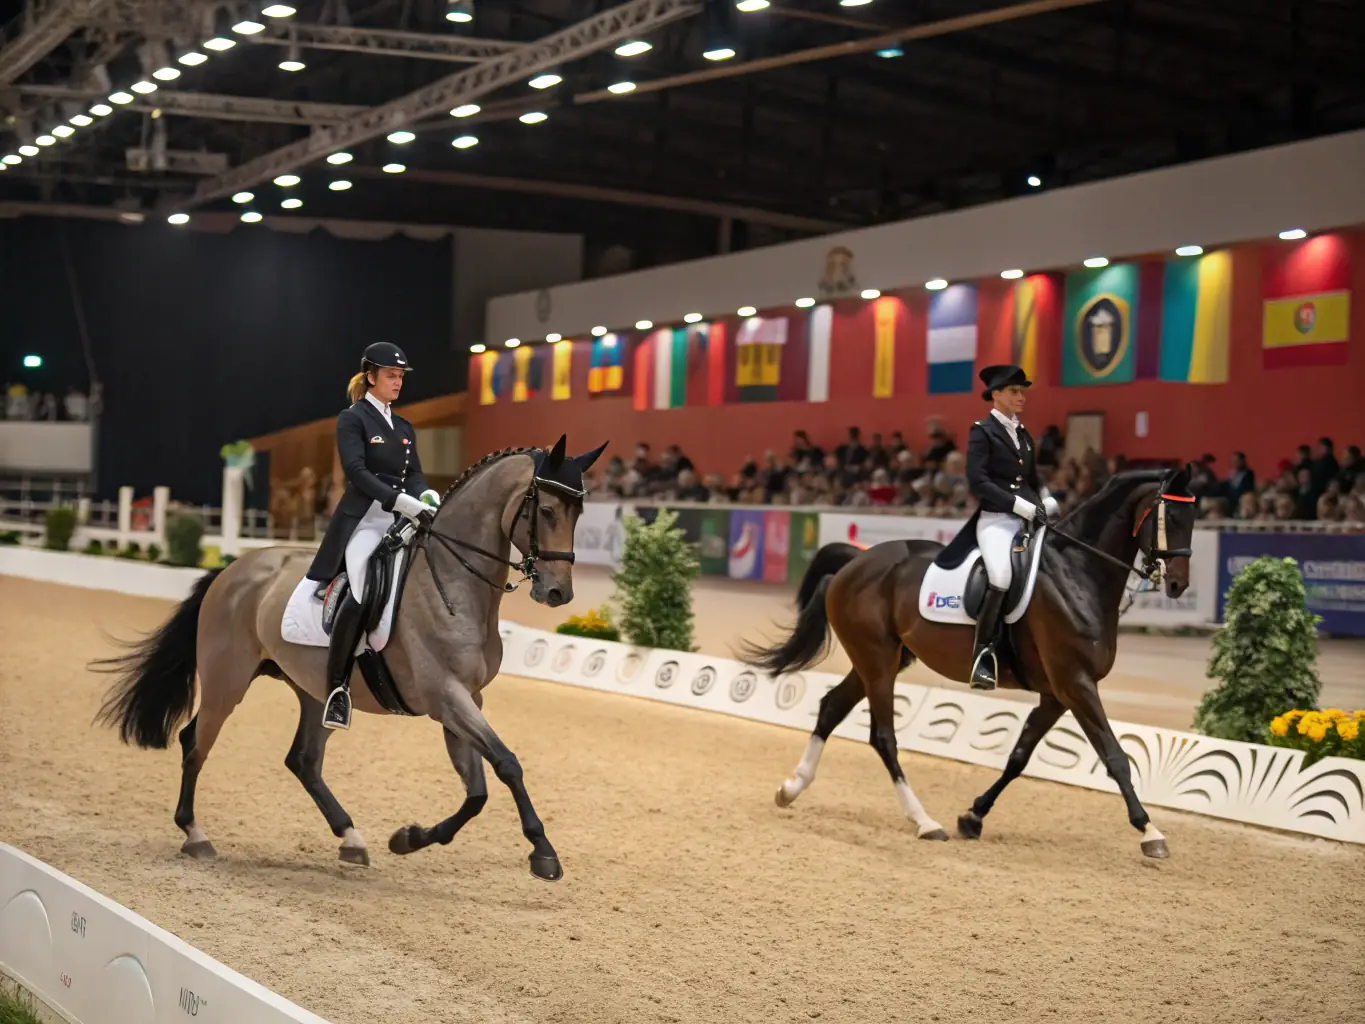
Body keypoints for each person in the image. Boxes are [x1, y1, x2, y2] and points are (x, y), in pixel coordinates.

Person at [304, 342, 438, 730]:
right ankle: (337, 688)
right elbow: (356, 472)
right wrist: (400, 501)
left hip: (401, 518)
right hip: (364, 520)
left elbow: (413, 473)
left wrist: (425, 495)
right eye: (391, 376)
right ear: (371, 377)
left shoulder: (404, 427)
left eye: (400, 377)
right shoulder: (353, 418)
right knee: (363, 586)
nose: (398, 383)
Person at [962, 364, 1057, 690]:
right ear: (997, 394)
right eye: (1015, 391)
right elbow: (978, 481)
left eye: (1023, 391)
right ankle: (983, 654)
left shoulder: (1023, 434)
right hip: (997, 521)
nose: (1021, 397)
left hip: (1031, 518)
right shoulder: (982, 431)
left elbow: (1033, 478)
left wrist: (1048, 499)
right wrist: (1016, 505)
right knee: (1001, 577)